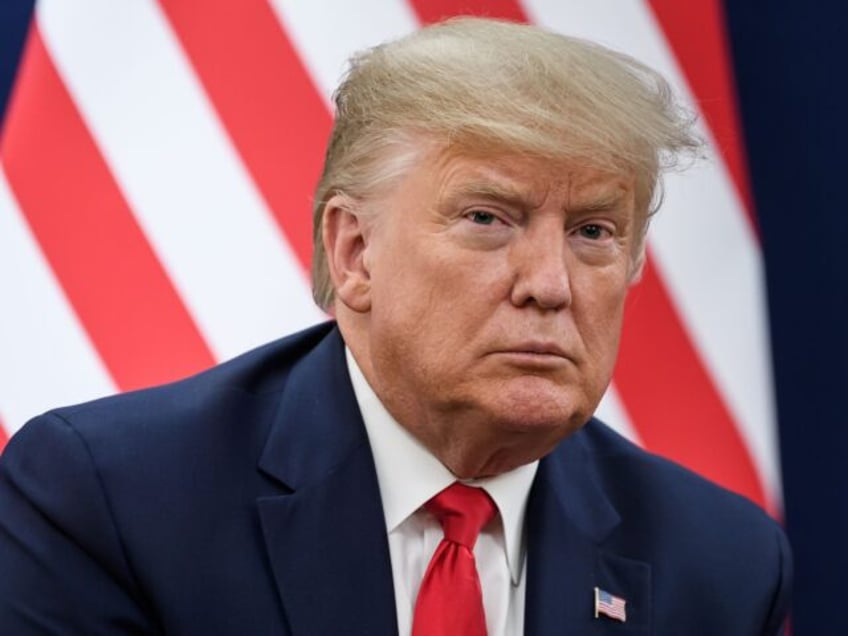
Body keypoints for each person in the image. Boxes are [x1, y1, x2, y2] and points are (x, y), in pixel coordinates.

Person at [0, 17, 790, 635]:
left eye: (593, 232)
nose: (550, 285)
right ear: (354, 252)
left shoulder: (720, 564)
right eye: (488, 217)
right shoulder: (115, 503)